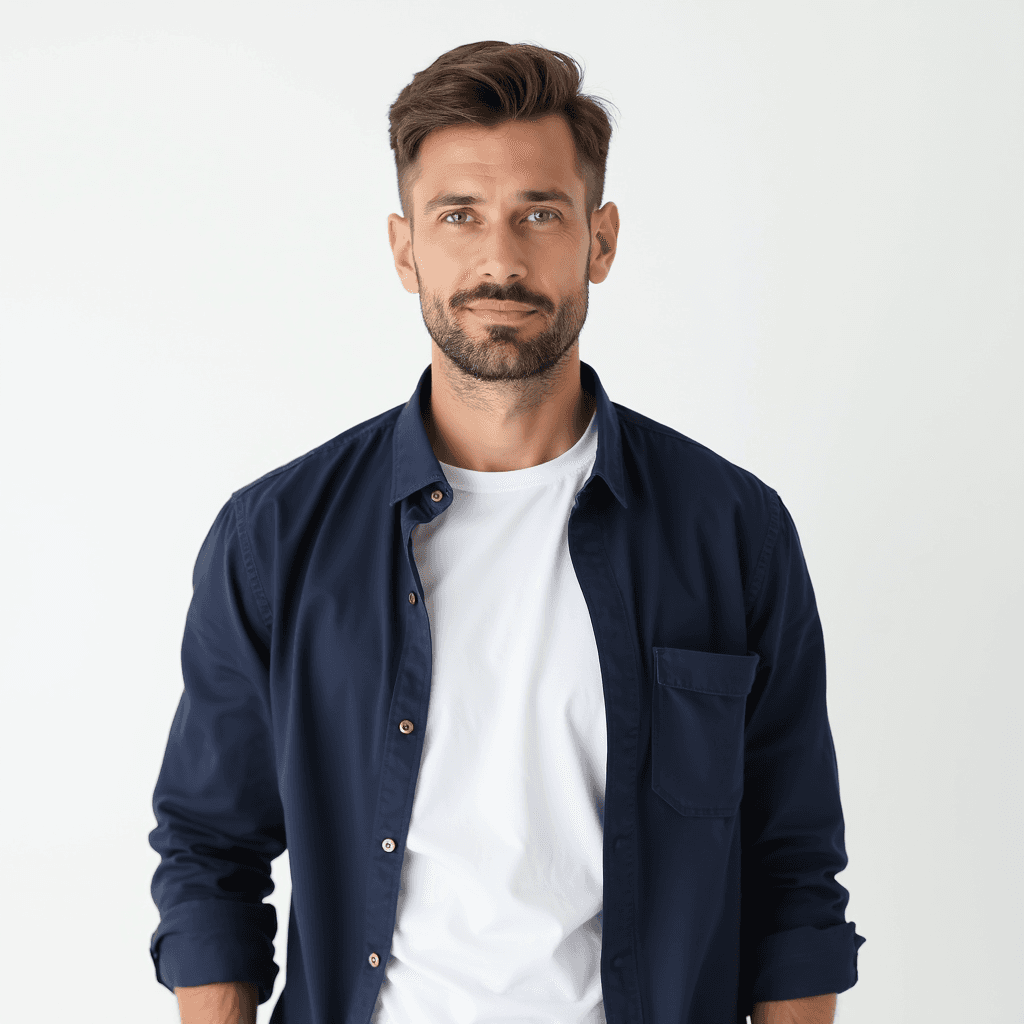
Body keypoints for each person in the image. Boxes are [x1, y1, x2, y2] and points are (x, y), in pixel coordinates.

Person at [150, 40, 864, 1024]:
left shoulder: (729, 528)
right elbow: (209, 848)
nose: (499, 258)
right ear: (405, 248)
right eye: (459, 215)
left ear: (599, 240)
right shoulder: (277, 536)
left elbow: (793, 871)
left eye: (539, 212)